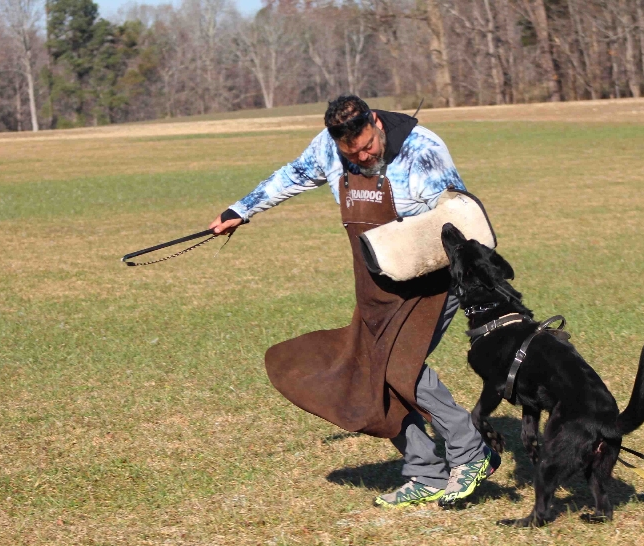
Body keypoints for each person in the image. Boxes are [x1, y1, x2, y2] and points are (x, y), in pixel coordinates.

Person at [208, 95, 500, 508]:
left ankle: (471, 452)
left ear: (375, 121)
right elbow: (292, 176)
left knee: (401, 368)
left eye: (367, 146)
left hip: (433, 275)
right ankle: (426, 470)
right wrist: (242, 209)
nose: (363, 157)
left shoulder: (422, 150)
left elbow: (458, 215)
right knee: (369, 374)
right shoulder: (329, 148)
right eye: (353, 153)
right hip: (377, 283)